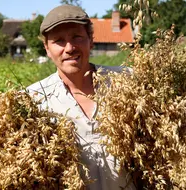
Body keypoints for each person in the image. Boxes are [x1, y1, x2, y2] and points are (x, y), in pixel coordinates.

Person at [26, 4, 135, 190]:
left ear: (90, 40)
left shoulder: (127, 81)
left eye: (77, 37)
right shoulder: (33, 99)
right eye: (58, 41)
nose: (69, 48)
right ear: (46, 48)